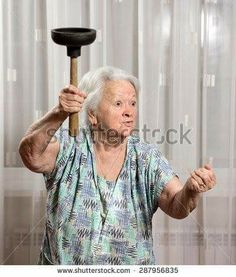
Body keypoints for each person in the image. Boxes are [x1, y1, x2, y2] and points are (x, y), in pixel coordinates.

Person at [18, 66, 216, 265]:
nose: (129, 112)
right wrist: (59, 113)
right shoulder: (69, 144)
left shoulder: (146, 156)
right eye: (118, 104)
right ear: (93, 114)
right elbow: (31, 156)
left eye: (132, 103)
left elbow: (176, 204)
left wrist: (190, 191)